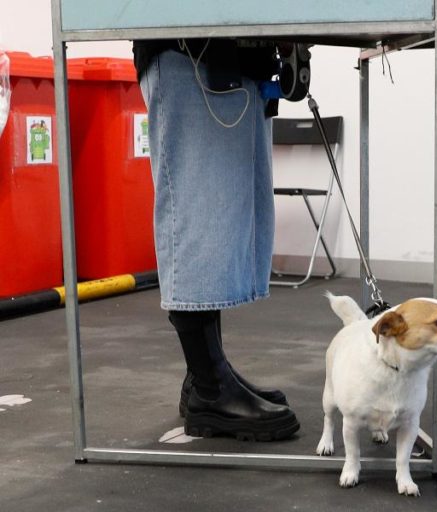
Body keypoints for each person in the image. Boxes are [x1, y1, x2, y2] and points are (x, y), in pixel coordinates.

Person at [133, 38, 299, 441]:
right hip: (189, 54)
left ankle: (204, 375)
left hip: (231, 59)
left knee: (221, 218)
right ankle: (211, 389)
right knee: (197, 212)